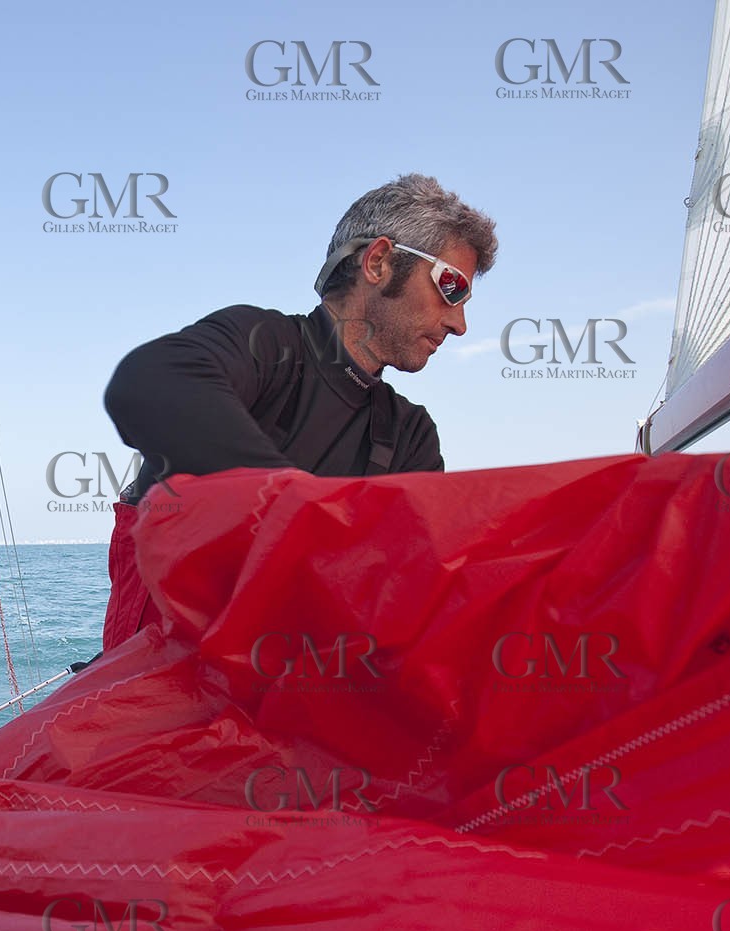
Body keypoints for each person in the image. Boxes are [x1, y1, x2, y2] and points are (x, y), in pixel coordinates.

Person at [100, 173, 497, 650]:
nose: (459, 323)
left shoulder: (411, 435)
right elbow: (151, 383)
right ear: (378, 262)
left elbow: (413, 589)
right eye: (450, 287)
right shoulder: (262, 346)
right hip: (159, 679)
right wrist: (294, 513)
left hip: (291, 688)